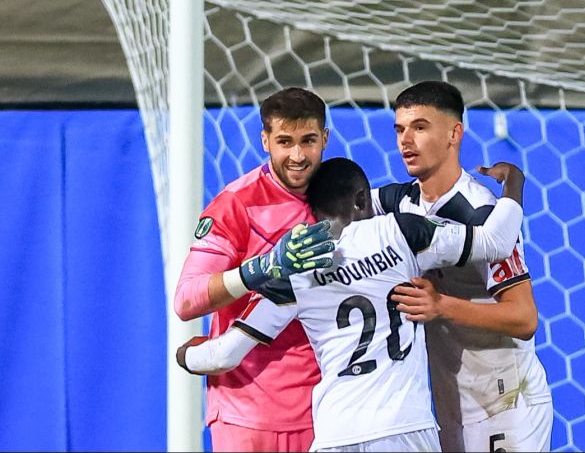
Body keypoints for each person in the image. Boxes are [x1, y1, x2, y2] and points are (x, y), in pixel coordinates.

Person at [176, 156, 527, 452]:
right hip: (404, 427)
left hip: (335, 434)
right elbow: (496, 241)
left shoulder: (295, 272)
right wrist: (514, 185)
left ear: (313, 212)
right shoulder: (400, 231)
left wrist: (186, 354)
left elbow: (223, 357)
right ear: (362, 200)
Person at [380, 81, 554, 452]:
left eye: (420, 127)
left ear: (454, 133)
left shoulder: (483, 215)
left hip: (506, 403)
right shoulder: (400, 202)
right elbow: (347, 203)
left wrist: (441, 307)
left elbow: (524, 319)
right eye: (400, 129)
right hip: (450, 403)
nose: (405, 140)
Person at [173, 87, 332, 452]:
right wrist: (261, 269)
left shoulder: (343, 198)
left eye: (308, 141)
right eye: (284, 141)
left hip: (324, 410)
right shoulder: (236, 204)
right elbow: (186, 300)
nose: (297, 155)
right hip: (247, 412)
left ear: (325, 138)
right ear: (264, 140)